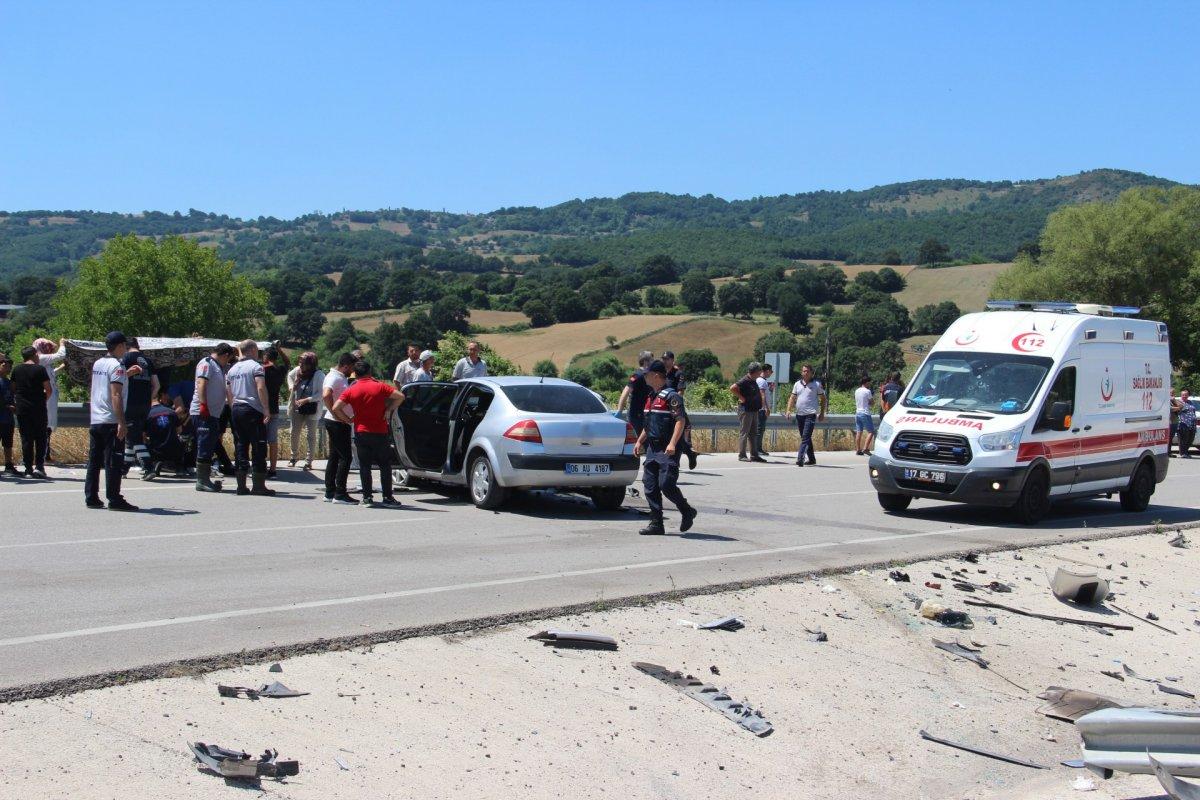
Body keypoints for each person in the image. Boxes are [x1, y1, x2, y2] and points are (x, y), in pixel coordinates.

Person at [633, 359, 697, 535]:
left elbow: (680, 421)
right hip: (653, 448)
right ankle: (656, 523)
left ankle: (686, 511)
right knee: (650, 485)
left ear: (655, 375)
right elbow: (649, 425)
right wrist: (639, 441)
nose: (644, 377)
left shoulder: (672, 396)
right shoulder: (651, 397)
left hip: (667, 448)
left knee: (666, 484)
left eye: (646, 374)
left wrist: (672, 443)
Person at [332, 359, 404, 508]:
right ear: (369, 372)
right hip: (380, 431)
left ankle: (367, 497)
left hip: (361, 431)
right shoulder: (380, 386)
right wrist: (389, 410)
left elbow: (335, 407)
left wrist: (348, 420)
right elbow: (400, 396)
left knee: (364, 466)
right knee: (385, 465)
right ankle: (388, 497)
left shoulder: (352, 389)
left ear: (355, 374)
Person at [85, 331, 137, 510]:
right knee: (113, 461)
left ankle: (91, 497)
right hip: (110, 420)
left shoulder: (99, 363)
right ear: (120, 346)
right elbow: (116, 394)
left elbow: (107, 384)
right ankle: (114, 498)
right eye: (125, 345)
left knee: (94, 461)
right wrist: (121, 422)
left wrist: (126, 374)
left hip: (96, 418)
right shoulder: (117, 366)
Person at [226, 340, 274, 496]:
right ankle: (259, 486)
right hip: (252, 409)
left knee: (241, 445)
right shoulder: (255, 367)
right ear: (253, 350)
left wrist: (234, 408)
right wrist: (266, 409)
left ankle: (241, 485)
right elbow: (260, 387)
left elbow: (229, 391)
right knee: (259, 446)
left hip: (237, 409)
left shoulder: (232, 369)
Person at [189, 342, 236, 492]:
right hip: (203, 412)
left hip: (213, 413)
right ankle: (202, 481)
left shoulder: (218, 366)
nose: (227, 362)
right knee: (204, 445)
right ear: (225, 355)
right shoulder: (207, 363)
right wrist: (203, 405)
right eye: (228, 359)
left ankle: (204, 478)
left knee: (209, 445)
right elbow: (201, 383)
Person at [121, 338, 159, 479]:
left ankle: (148, 467)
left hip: (130, 402)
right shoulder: (148, 361)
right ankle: (124, 468)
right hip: (145, 404)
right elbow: (157, 385)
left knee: (135, 437)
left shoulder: (125, 358)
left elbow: (118, 377)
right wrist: (149, 398)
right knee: (132, 435)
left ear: (126, 346)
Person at [11, 345, 51, 477]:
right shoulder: (40, 369)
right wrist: (43, 399)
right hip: (38, 408)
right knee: (41, 437)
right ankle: (39, 467)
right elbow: (48, 389)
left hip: (22, 409)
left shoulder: (16, 369)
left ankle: (28, 468)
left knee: (26, 439)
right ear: (33, 355)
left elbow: (13, 388)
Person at [322, 352, 357, 504]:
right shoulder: (334, 376)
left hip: (339, 421)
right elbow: (326, 395)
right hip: (337, 422)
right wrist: (335, 413)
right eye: (352, 368)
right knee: (345, 457)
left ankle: (330, 492)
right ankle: (340, 493)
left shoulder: (340, 377)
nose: (353, 371)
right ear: (346, 366)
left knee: (335, 456)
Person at [287, 350, 323, 470]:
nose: (300, 365)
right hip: (297, 407)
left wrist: (307, 399)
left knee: (311, 435)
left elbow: (321, 394)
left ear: (311, 364)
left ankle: (309, 461)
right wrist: (292, 386)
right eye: (300, 362)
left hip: (311, 407)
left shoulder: (319, 375)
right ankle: (293, 457)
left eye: (303, 363)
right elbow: (289, 376)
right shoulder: (297, 371)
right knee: (294, 433)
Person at [785, 364, 827, 467]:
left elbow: (823, 399)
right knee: (806, 437)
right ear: (801, 372)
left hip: (811, 414)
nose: (806, 373)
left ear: (812, 373)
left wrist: (821, 413)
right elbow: (792, 398)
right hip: (800, 414)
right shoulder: (797, 384)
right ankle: (812, 459)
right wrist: (788, 410)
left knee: (805, 437)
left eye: (808, 371)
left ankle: (800, 458)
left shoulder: (817, 384)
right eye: (804, 371)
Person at [662, 351, 697, 470]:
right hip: (663, 408)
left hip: (675, 407)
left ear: (672, 360)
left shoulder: (678, 374)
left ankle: (678, 458)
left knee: (677, 434)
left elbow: (680, 391)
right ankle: (689, 453)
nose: (665, 361)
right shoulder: (661, 373)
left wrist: (673, 404)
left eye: (667, 359)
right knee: (671, 435)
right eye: (663, 359)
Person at [33, 337, 65, 462]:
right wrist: (62, 343)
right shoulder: (41, 358)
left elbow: (49, 375)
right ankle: (43, 456)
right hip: (47, 397)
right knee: (46, 425)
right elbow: (61, 354)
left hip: (50, 397)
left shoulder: (44, 361)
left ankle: (45, 454)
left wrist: (60, 368)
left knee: (48, 426)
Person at [145, 388, 189, 476]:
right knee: (182, 440)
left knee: (143, 443)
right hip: (174, 449)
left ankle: (156, 463)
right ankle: (179, 467)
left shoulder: (148, 414)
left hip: (156, 450)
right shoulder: (172, 412)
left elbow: (143, 435)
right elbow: (179, 430)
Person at [730, 362, 766, 463]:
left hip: (754, 410)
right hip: (746, 410)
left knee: (753, 433)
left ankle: (754, 455)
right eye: (759, 371)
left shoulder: (753, 380)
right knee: (744, 432)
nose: (760, 373)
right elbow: (732, 388)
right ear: (754, 371)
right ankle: (742, 455)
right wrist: (742, 398)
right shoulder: (745, 380)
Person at [262, 345, 289, 476]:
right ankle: (273, 469)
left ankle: (260, 466)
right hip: (275, 408)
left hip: (262, 409)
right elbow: (287, 362)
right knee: (273, 441)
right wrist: (279, 349)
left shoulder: (262, 370)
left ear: (266, 356)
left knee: (260, 440)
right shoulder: (281, 370)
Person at [617, 351, 654, 435]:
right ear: (645, 362)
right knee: (635, 441)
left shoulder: (648, 375)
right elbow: (626, 391)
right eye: (652, 360)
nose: (653, 362)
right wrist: (620, 410)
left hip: (645, 414)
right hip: (636, 415)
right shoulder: (638, 376)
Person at [0, 353, 17, 475]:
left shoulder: (9, 382)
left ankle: (9, 465)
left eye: (9, 366)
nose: (7, 367)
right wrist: (6, 406)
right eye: (4, 365)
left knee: (8, 443)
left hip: (8, 418)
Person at [756, 363, 776, 457]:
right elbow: (762, 395)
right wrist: (766, 408)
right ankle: (757, 449)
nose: (771, 373)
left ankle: (758, 449)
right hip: (761, 409)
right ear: (767, 371)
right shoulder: (762, 381)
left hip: (760, 409)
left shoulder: (762, 381)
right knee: (760, 430)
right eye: (771, 371)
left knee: (760, 429)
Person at [853, 375, 876, 455]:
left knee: (859, 432)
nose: (870, 384)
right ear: (866, 382)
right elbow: (872, 403)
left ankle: (858, 449)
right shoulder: (867, 391)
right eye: (869, 382)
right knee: (871, 431)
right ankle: (865, 448)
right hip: (865, 413)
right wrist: (869, 402)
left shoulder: (857, 390)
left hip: (858, 412)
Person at [1178, 389, 1196, 459]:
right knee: (1183, 439)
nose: (1184, 396)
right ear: (1181, 395)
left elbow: (1193, 411)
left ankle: (1186, 452)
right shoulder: (1179, 402)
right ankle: (1183, 453)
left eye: (1186, 395)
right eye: (1183, 395)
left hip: (1192, 424)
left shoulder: (1190, 402)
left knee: (1190, 439)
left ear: (1188, 395)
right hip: (1183, 423)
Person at [1169, 390, 1183, 457]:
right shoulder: (1166, 400)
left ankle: (1169, 452)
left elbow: (1182, 406)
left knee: (1171, 438)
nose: (1172, 394)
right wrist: (1178, 408)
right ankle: (1167, 453)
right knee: (1168, 438)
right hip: (1169, 422)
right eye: (1171, 393)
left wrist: (1174, 400)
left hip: (1175, 422)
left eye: (1173, 393)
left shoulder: (1175, 400)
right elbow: (1170, 409)